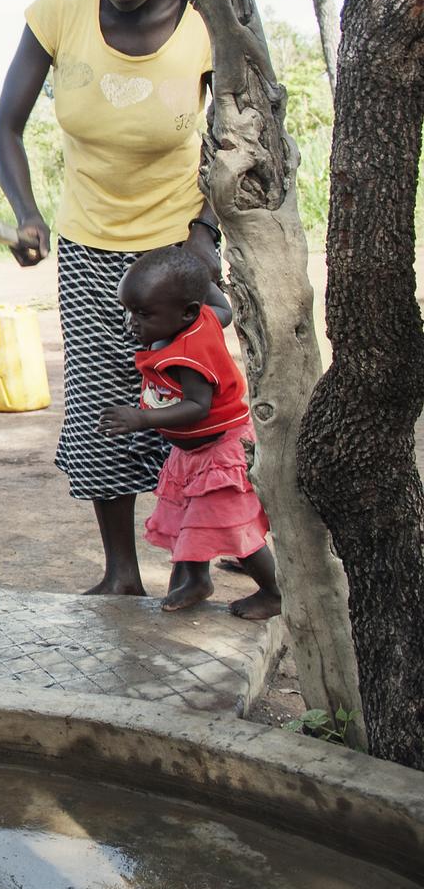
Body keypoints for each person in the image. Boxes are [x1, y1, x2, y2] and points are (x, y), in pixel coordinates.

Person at [0, 0, 224, 597]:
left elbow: (236, 135)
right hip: (91, 249)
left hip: (178, 254)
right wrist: (26, 211)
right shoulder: (60, 13)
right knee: (103, 406)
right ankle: (121, 572)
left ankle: (194, 569)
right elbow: (6, 126)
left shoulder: (207, 25)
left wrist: (207, 236)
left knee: (191, 404)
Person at [99, 246, 279, 619]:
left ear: (187, 312)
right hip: (194, 452)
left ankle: (274, 591)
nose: (131, 323)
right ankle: (196, 580)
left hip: (221, 449)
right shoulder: (200, 318)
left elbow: (199, 407)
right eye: (129, 311)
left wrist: (141, 419)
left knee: (235, 529)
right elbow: (224, 309)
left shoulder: (189, 353)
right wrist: (199, 265)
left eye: (143, 314)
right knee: (188, 518)